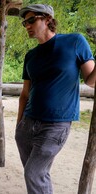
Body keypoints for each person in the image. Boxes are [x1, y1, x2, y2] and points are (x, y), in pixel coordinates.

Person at [15, 4, 96, 194]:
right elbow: (25, 93)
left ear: (48, 19)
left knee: (33, 174)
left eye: (31, 20)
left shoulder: (74, 41)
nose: (26, 25)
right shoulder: (31, 56)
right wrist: (19, 125)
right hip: (27, 124)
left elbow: (91, 81)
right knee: (38, 174)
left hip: (55, 125)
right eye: (24, 22)